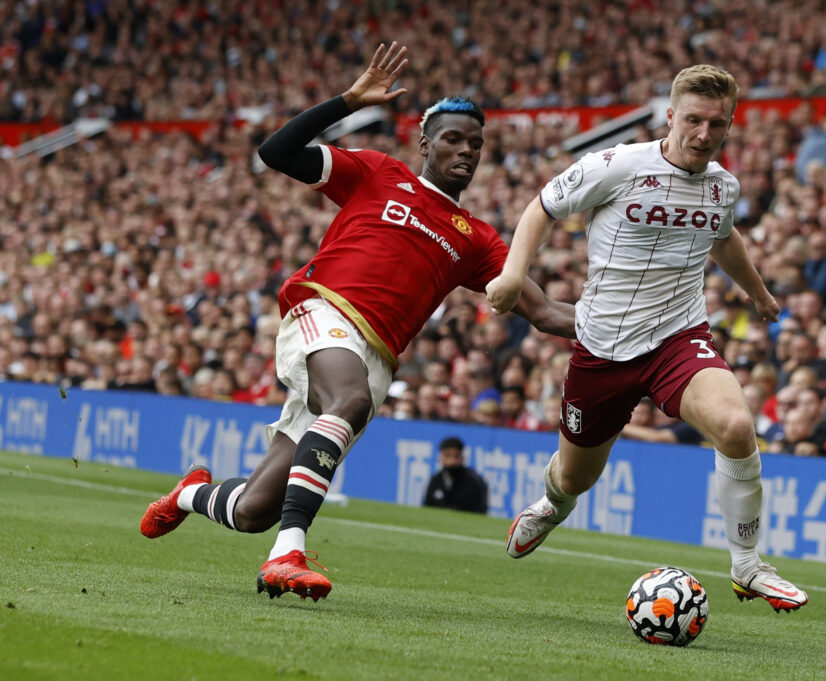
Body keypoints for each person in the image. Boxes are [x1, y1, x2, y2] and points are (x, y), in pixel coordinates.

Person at [139, 43, 575, 602]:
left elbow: (542, 312)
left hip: (374, 358)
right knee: (347, 402)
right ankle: (287, 556)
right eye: (453, 139)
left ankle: (188, 494)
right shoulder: (376, 172)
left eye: (476, 144)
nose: (466, 151)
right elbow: (276, 151)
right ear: (425, 143)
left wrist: (628, 327)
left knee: (253, 509)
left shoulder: (479, 239)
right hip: (324, 312)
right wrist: (345, 100)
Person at [486, 64, 808, 612]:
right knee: (575, 477)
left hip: (677, 338)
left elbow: (723, 238)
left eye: (718, 124)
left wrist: (757, 293)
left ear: (730, 125)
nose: (705, 134)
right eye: (694, 120)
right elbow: (541, 208)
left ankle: (748, 565)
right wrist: (514, 274)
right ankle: (551, 505)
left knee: (734, 426)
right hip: (603, 348)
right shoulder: (616, 166)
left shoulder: (721, 186)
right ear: (670, 116)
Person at [422, 437, 488, 513]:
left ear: (462, 457)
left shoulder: (474, 481)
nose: (452, 461)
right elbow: (426, 508)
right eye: (447, 456)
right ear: (441, 457)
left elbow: (481, 512)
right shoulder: (435, 480)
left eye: (456, 456)